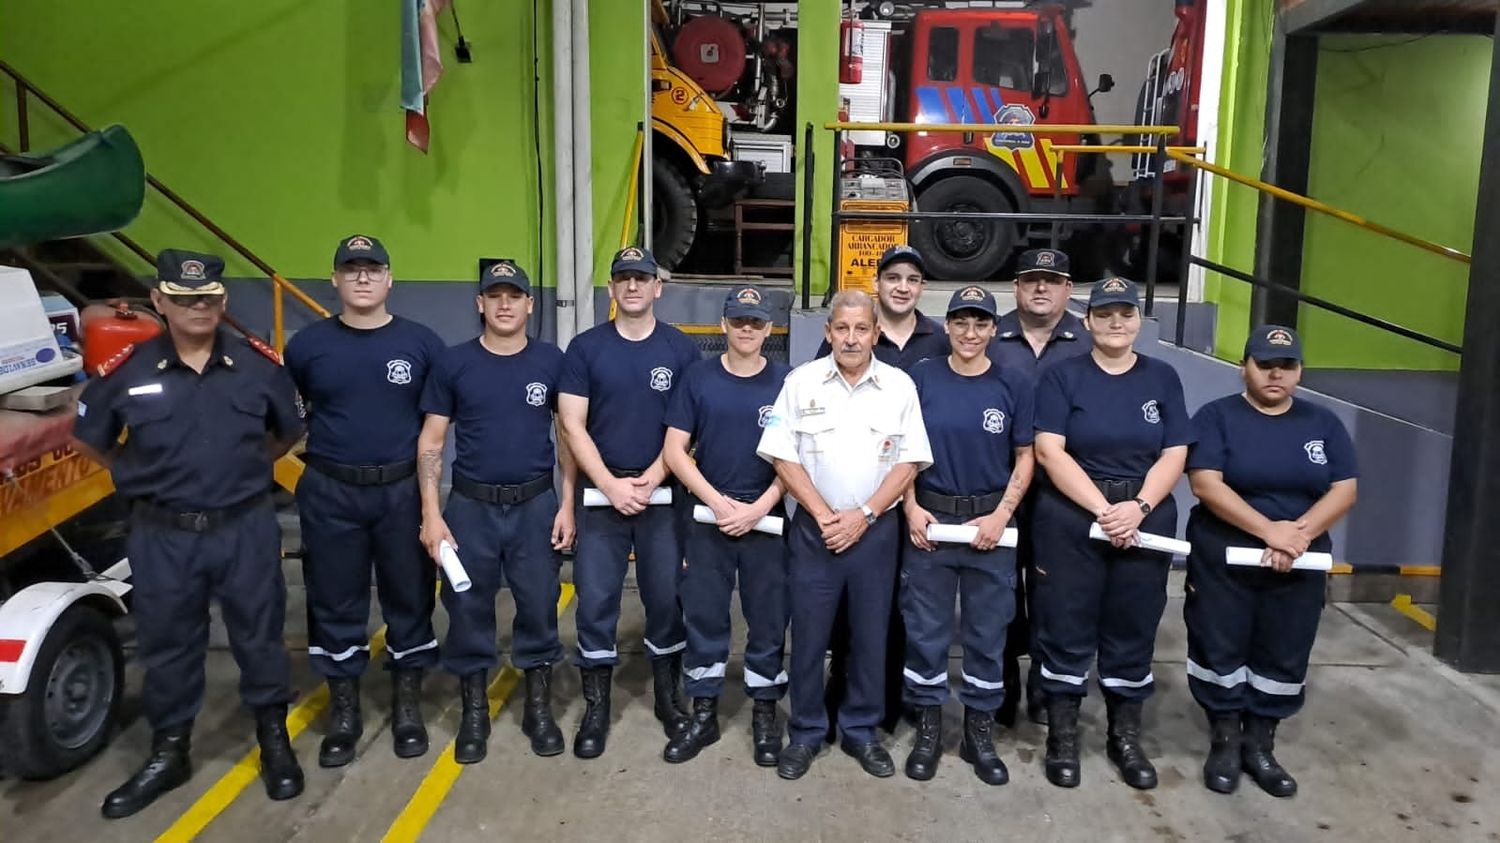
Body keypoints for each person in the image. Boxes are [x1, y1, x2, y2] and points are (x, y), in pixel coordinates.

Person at [73, 250, 305, 817]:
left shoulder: (259, 367)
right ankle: (169, 750)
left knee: (259, 638)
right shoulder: (126, 369)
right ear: (159, 302)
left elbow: (287, 433)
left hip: (243, 526)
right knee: (169, 645)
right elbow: (88, 439)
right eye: (182, 298)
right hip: (162, 534)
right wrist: (139, 476)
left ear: (222, 301)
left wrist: (244, 472)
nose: (196, 308)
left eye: (206, 298)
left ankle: (274, 740)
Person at [283, 235, 445, 768]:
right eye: (350, 269)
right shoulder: (306, 348)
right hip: (331, 489)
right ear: (334, 280)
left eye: (372, 269)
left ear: (389, 279)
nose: (361, 278)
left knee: (410, 596)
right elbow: (297, 413)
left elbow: (433, 429)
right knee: (334, 600)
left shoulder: (423, 345)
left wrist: (428, 504)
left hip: (400, 489)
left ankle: (407, 709)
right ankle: (345, 715)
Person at [757, 290, 932, 781]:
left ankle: (860, 730)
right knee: (809, 636)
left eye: (861, 330)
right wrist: (822, 513)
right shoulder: (800, 382)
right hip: (814, 533)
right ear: (828, 332)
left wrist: (866, 515)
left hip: (876, 534)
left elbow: (910, 460)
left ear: (876, 333)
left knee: (871, 636)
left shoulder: (899, 387)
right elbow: (780, 454)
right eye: (842, 329)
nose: (851, 338)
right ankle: (807, 732)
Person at [1030, 276, 1192, 791]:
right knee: (1065, 623)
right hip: (1075, 515)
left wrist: (1139, 506)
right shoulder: (1063, 376)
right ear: (1088, 321)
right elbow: (1050, 450)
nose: (1116, 323)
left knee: (1133, 623)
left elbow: (1175, 452)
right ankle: (1063, 739)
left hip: (1144, 515)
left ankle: (1124, 738)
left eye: (1125, 314)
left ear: (1138, 322)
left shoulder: (1162, 378)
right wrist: (1105, 510)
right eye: (1105, 314)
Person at [1184, 325, 1358, 797]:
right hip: (1227, 557)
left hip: (1297, 559)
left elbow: (1345, 488)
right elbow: (1206, 483)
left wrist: (1296, 537)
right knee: (1219, 645)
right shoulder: (1216, 417)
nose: (1275, 374)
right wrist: (1270, 532)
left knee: (1283, 649)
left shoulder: (1323, 424)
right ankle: (1223, 740)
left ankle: (1260, 744)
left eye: (1287, 366)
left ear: (1300, 371)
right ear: (1246, 368)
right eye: (1265, 365)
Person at [417, 260, 577, 764]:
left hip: (535, 505)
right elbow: (432, 441)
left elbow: (568, 436)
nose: (504, 304)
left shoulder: (552, 361)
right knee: (466, 610)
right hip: (469, 508)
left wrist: (567, 501)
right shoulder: (453, 362)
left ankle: (538, 709)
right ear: (479, 304)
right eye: (495, 295)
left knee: (538, 604)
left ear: (531, 304)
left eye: (515, 295)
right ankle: (473, 714)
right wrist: (431, 513)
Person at [558, 246, 702, 758]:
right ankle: (596, 709)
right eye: (623, 279)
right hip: (603, 498)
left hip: (663, 497)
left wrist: (651, 476)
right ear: (613, 289)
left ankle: (669, 699)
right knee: (596, 602)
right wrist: (608, 485)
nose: (633, 287)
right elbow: (571, 424)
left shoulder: (681, 351)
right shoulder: (585, 349)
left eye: (642, 278)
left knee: (666, 598)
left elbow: (687, 427)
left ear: (657, 287)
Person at [900, 285, 1035, 785]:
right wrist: (910, 508)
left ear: (994, 330)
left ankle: (979, 732)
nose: (970, 333)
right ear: (947, 327)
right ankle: (929, 728)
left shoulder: (1014, 383)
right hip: (931, 521)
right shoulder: (921, 378)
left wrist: (1002, 515)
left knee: (986, 633)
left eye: (981, 324)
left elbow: (1026, 456)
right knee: (925, 631)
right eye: (961, 322)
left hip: (990, 526)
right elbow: (903, 450)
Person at [816, 244, 947, 737]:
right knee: (846, 609)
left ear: (921, 289)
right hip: (853, 500)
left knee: (897, 606)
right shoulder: (851, 339)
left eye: (912, 279)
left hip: (913, 495)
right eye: (893, 277)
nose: (902, 286)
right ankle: (841, 685)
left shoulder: (939, 341)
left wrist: (908, 501)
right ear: (878, 284)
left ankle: (889, 695)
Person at [661, 286, 790, 766]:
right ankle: (704, 713)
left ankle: (763, 715)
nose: (747, 331)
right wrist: (717, 503)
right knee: (705, 617)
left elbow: (796, 460)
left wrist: (759, 508)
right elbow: (675, 451)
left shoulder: (787, 383)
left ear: (768, 329)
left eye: (756, 323)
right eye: (739, 322)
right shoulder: (697, 378)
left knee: (769, 619)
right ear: (723, 325)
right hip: (708, 520)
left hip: (767, 522)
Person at [988, 247, 1091, 728]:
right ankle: (1001, 685)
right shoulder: (991, 335)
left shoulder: (1086, 342)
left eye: (1052, 280)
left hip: (1062, 493)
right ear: (1017, 287)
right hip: (1001, 489)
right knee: (1001, 593)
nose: (1041, 288)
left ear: (1069, 289)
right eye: (1031, 280)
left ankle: (1048, 689)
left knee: (1055, 595)